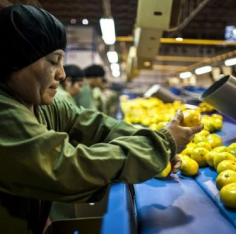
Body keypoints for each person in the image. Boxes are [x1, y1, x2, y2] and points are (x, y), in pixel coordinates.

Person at [0, 5, 203, 234]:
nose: (62, 74)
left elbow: (93, 125)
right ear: (16, 61)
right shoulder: (3, 114)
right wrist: (160, 144)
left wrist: (155, 146)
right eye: (52, 61)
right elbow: (66, 167)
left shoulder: (39, 105)